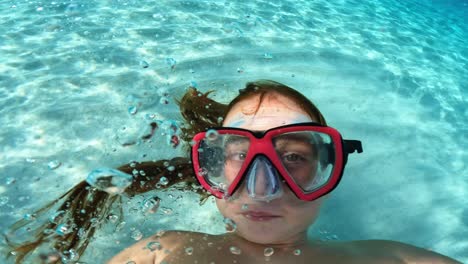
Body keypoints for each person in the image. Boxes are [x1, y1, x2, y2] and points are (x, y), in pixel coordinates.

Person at [5, 80, 461, 264]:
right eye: (240, 157)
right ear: (211, 169)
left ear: (330, 170)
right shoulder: (161, 256)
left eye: (294, 158)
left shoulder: (394, 262)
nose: (262, 188)